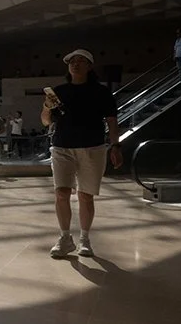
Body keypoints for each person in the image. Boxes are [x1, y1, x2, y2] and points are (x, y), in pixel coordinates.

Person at [42, 49, 122, 259]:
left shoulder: (101, 92)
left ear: (89, 66)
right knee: (61, 193)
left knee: (85, 196)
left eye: (81, 61)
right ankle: (65, 237)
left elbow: (112, 121)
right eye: (71, 62)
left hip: (92, 148)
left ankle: (84, 239)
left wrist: (116, 146)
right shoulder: (59, 91)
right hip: (62, 147)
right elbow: (46, 121)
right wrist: (46, 106)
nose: (75, 64)